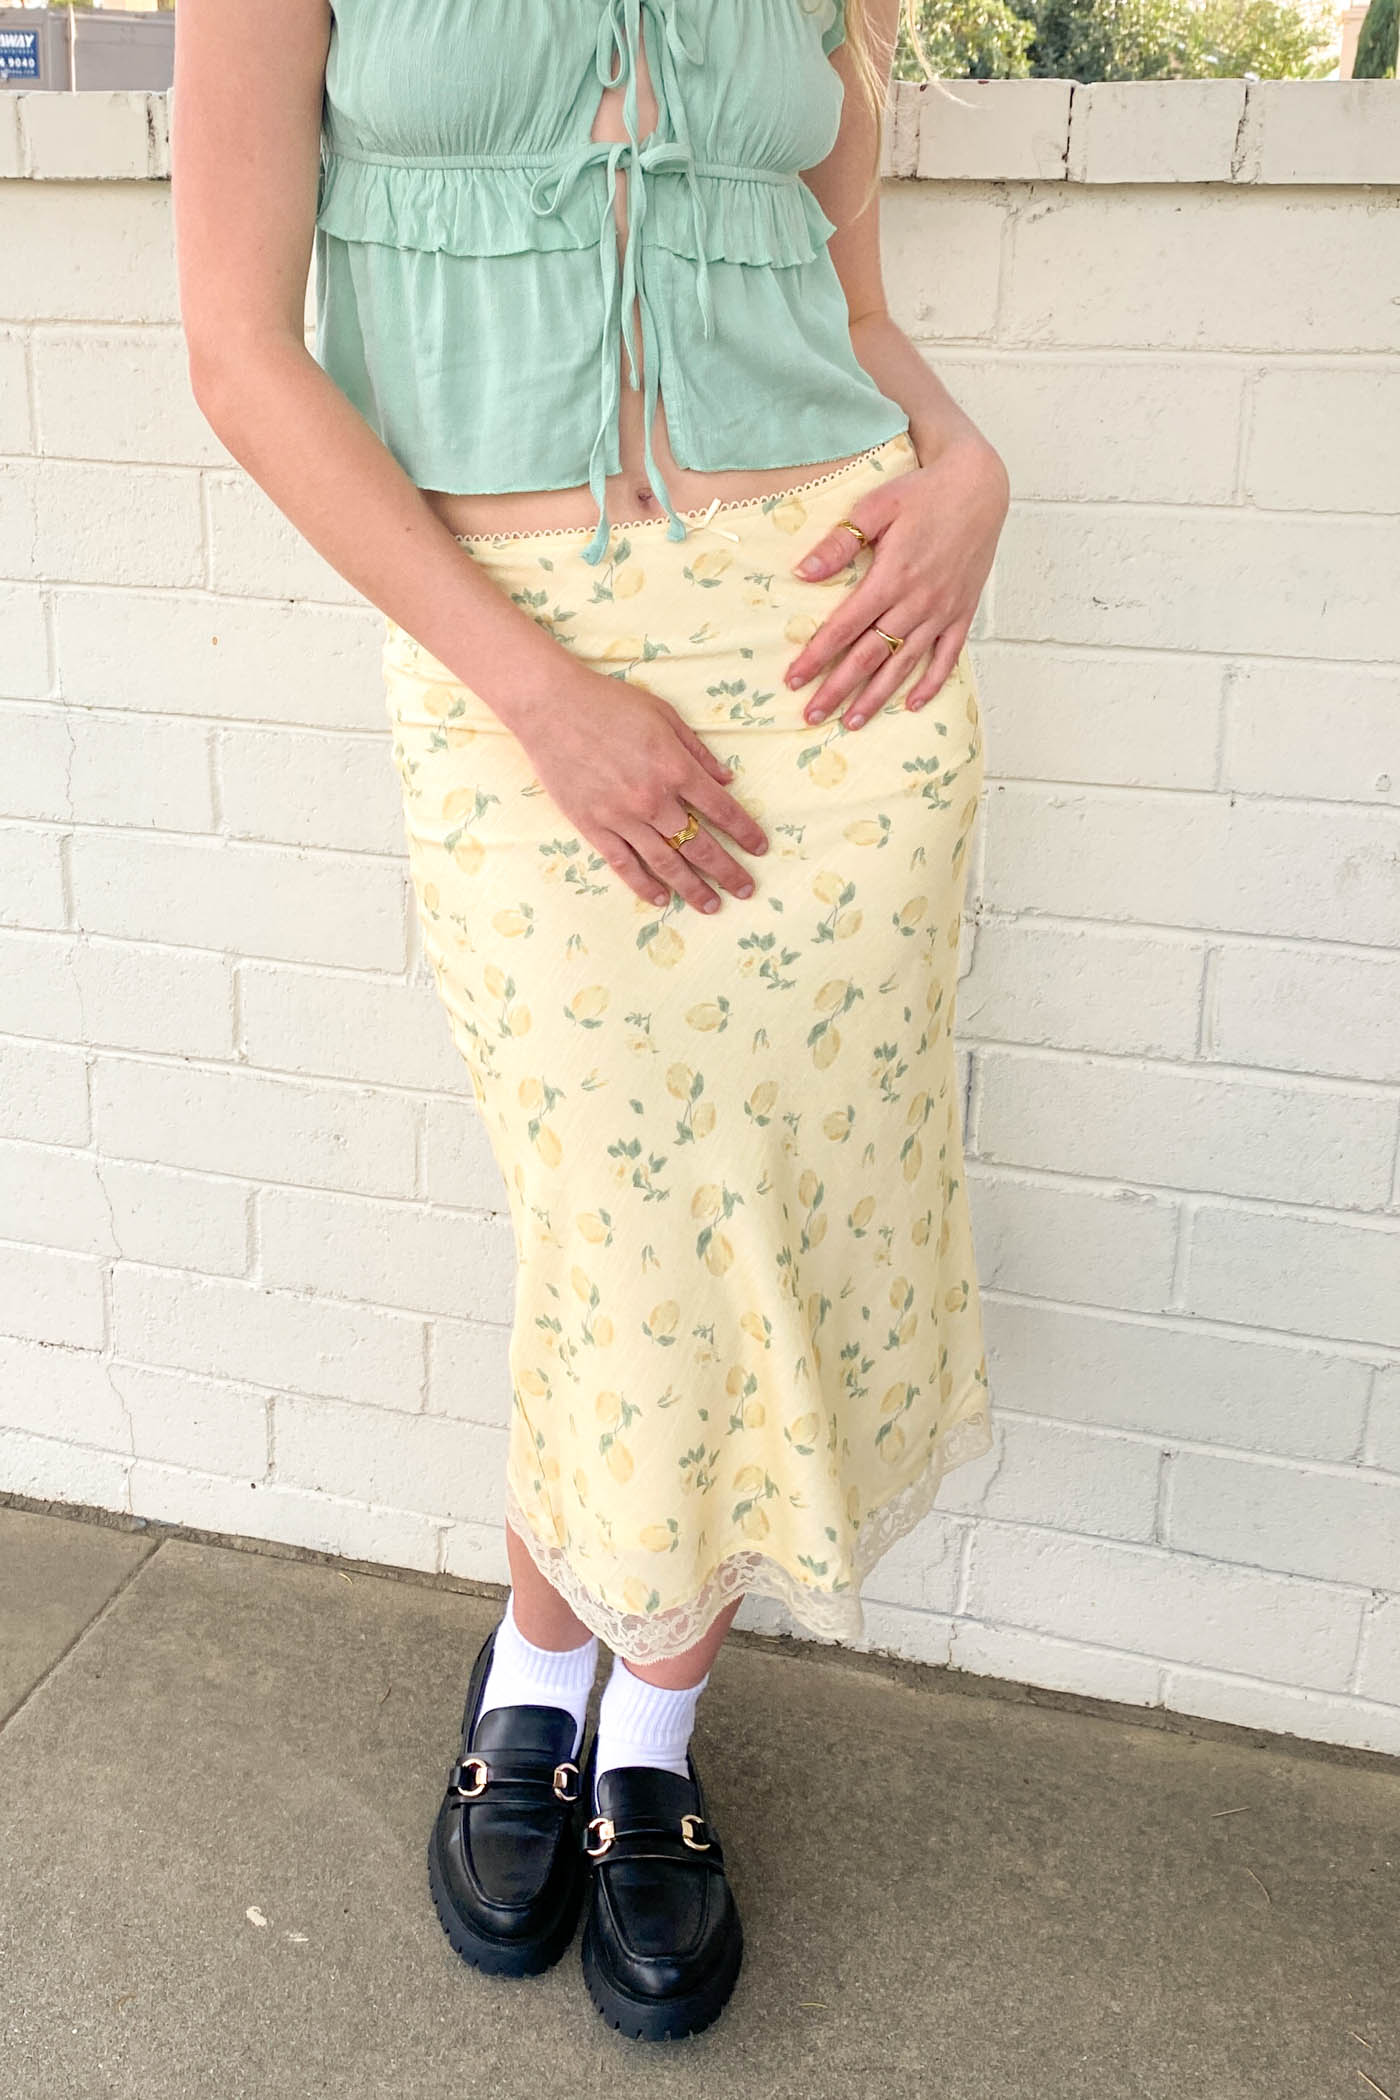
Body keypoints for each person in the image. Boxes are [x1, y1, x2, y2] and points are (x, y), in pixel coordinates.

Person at [173, 0, 1009, 2044]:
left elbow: (848, 294)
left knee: (764, 1229)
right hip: (514, 664)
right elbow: (239, 350)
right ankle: (558, 1686)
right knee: (618, 1232)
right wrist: (537, 696)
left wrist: (973, 461)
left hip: (839, 657)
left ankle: (634, 1724)